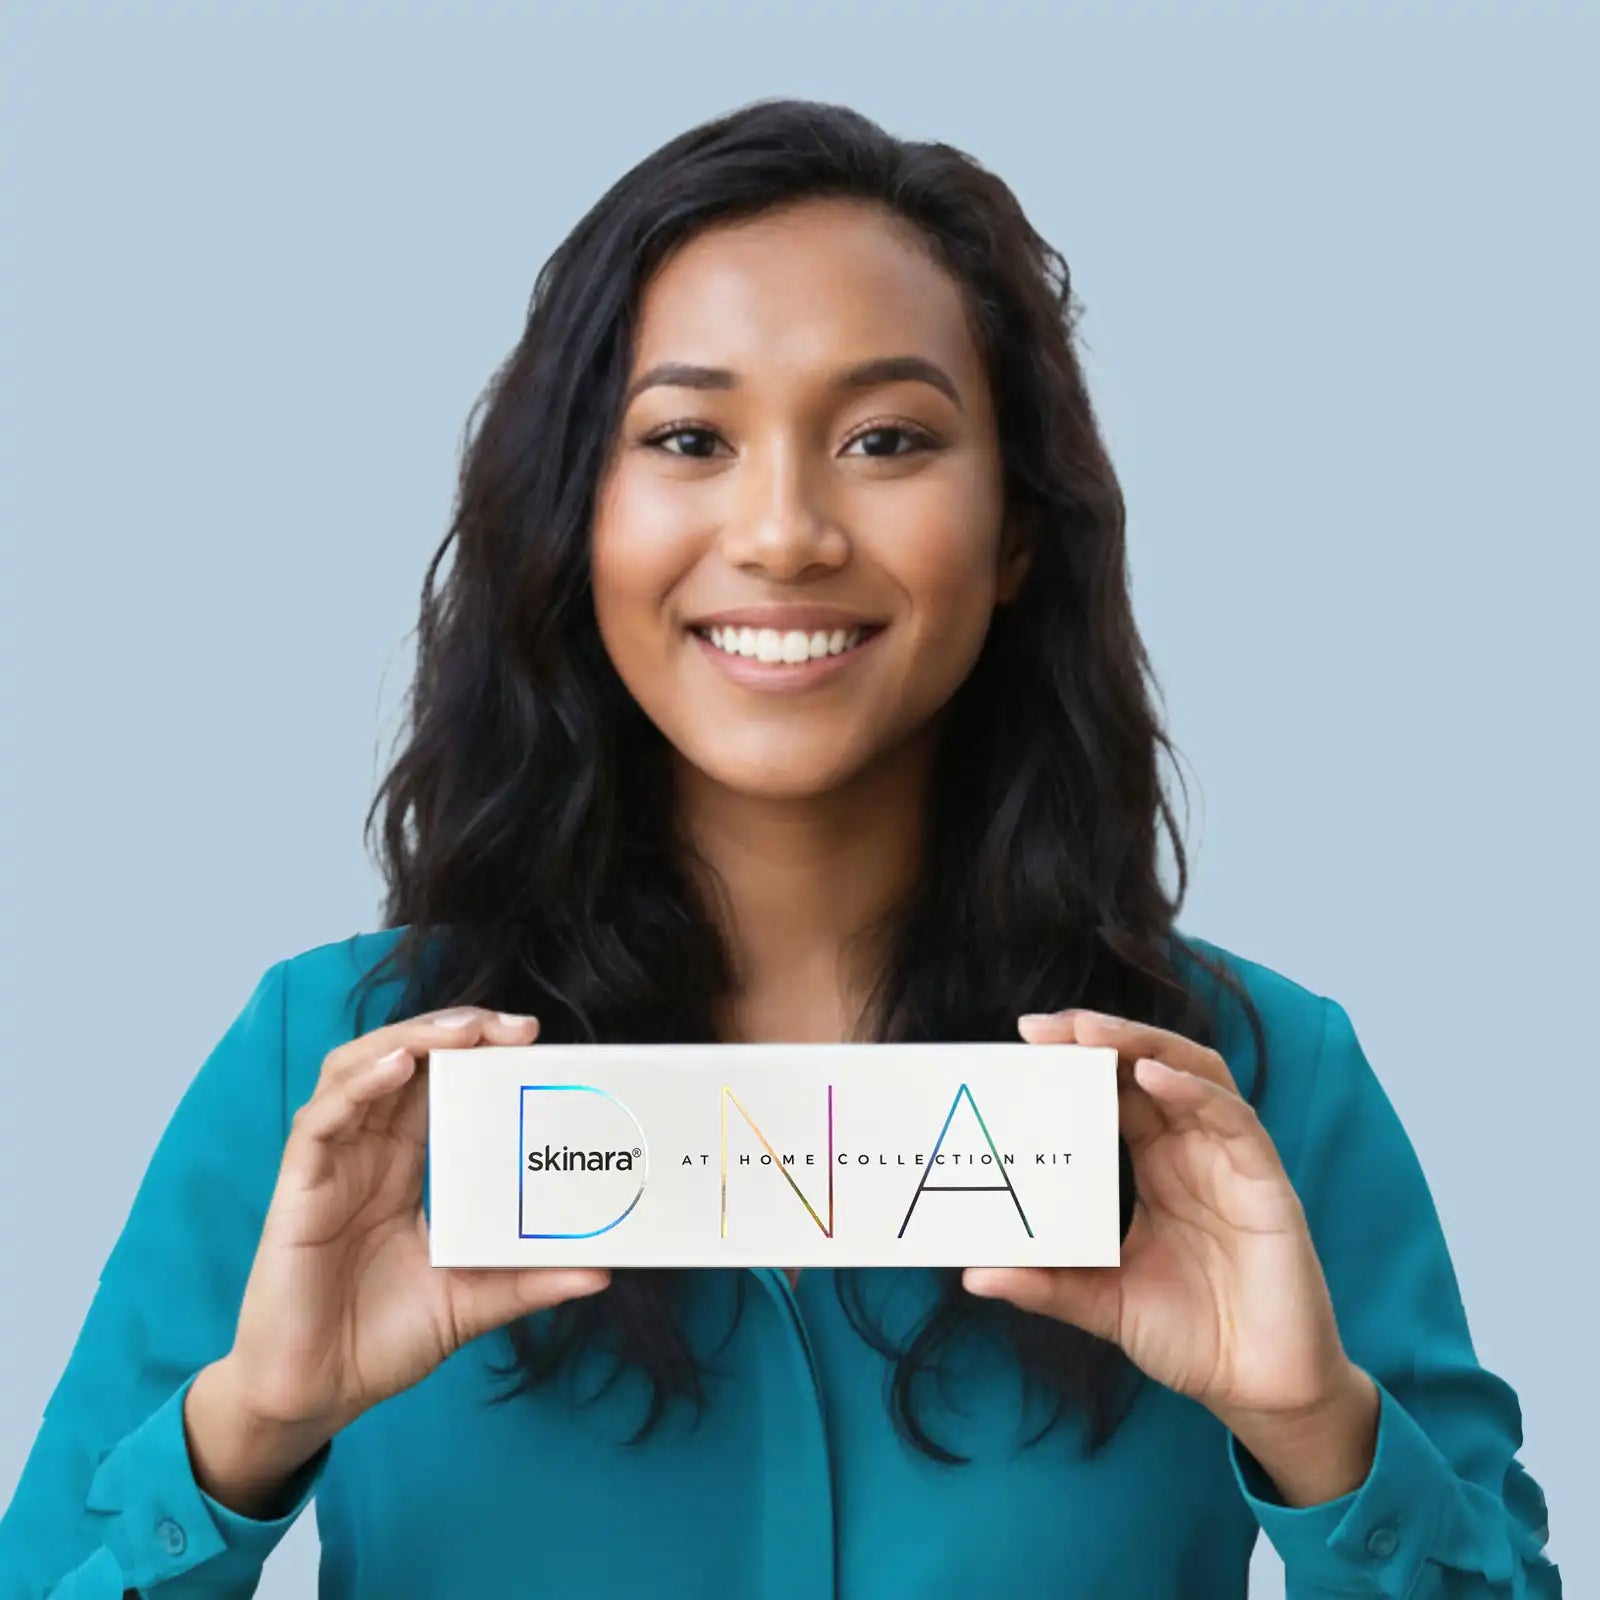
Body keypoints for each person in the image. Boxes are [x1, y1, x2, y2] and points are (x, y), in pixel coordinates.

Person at [0, 97, 1560, 1599]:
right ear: (571, 516)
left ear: (1018, 527)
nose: (786, 532)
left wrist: (1321, 1441)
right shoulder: (332, 1081)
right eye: (688, 438)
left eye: (887, 439)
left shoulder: (1248, 1093)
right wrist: (239, 1442)